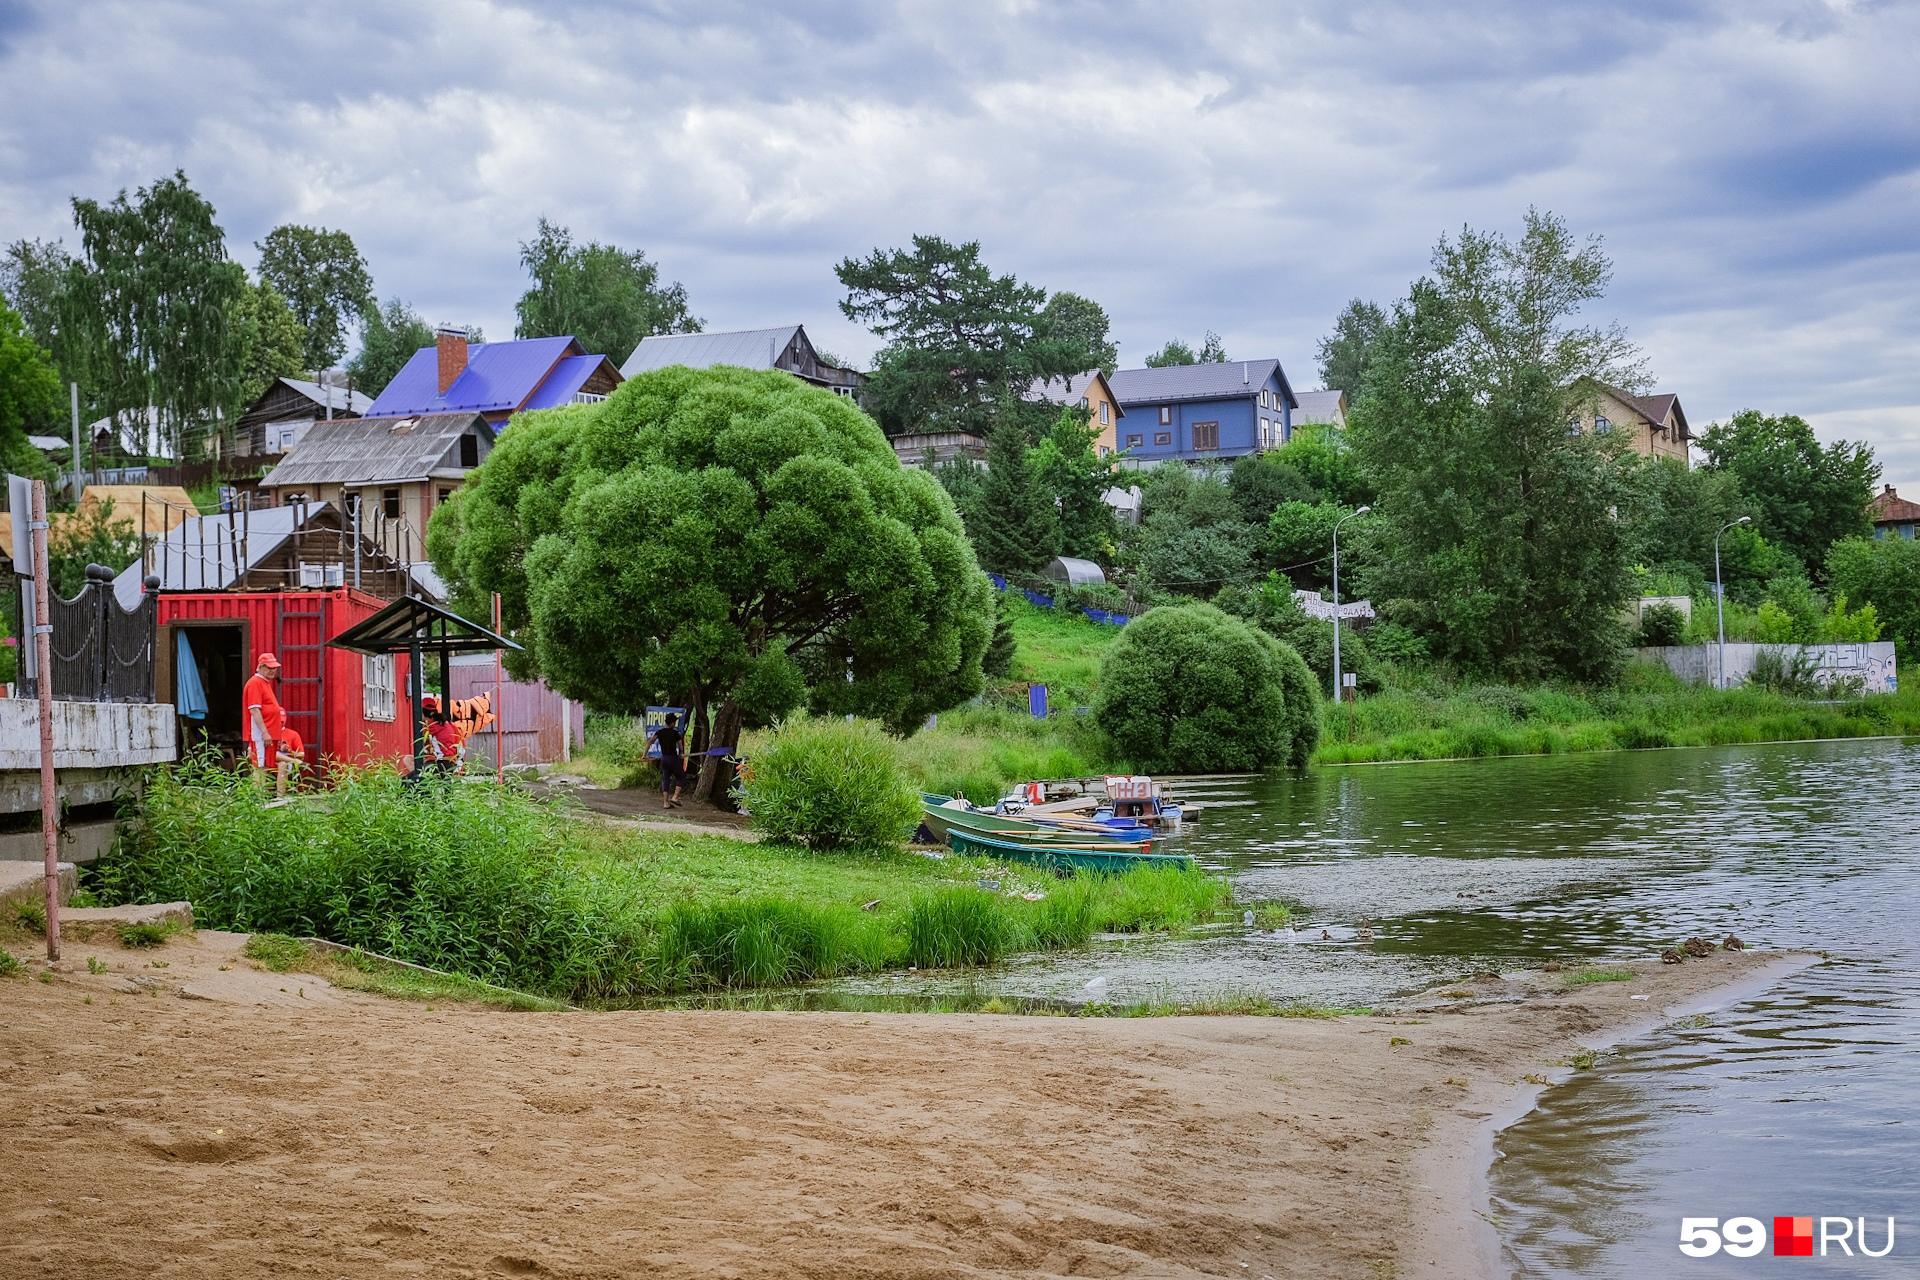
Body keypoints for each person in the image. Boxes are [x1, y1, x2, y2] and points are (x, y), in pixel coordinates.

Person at [242, 653, 288, 796]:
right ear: (260, 667)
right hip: (260, 734)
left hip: (267, 733)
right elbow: (254, 710)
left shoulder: (264, 683)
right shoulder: (255, 683)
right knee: (259, 765)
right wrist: (265, 732)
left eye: (274, 667)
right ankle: (257, 798)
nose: (273, 670)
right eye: (269, 667)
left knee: (265, 764)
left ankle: (262, 795)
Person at [649, 712, 687, 809]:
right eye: (674, 722)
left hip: (664, 758)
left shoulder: (660, 732)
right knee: (681, 776)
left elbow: (650, 741)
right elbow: (680, 745)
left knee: (666, 779)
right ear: (672, 722)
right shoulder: (675, 733)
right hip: (673, 758)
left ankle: (666, 803)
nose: (675, 724)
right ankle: (675, 797)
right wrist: (681, 753)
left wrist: (644, 755)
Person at [420, 694, 463, 775]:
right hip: (455, 762)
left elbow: (429, 750)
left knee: (409, 761)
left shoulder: (431, 728)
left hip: (443, 764)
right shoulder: (447, 724)